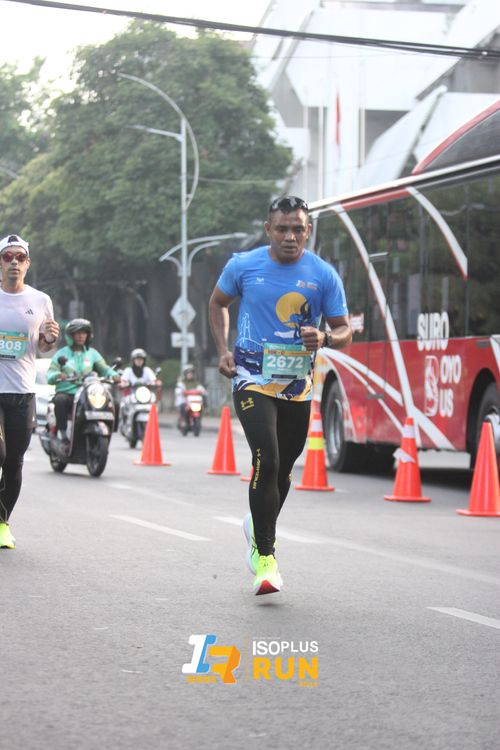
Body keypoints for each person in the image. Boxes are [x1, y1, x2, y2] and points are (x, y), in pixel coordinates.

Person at [208, 195, 351, 595]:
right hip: (251, 378)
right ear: (268, 229)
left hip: (297, 386)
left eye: (298, 229)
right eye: (283, 229)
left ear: (309, 231)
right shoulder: (243, 265)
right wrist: (222, 350)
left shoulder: (323, 275)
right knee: (266, 458)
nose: (290, 237)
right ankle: (265, 557)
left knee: (284, 468)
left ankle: (257, 524)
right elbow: (218, 303)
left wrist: (325, 337)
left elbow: (345, 330)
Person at [0, 234, 60, 549]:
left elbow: (43, 347)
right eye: (7, 257)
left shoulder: (40, 301)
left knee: (14, 462)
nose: (14, 262)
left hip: (22, 393)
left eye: (19, 257)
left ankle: (2, 523)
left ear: (28, 264)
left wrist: (49, 338)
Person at [47, 319, 120, 442]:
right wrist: (58, 375)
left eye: (84, 333)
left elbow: (104, 369)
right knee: (60, 400)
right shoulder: (61, 354)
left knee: (114, 403)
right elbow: (50, 374)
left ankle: (110, 430)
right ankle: (62, 433)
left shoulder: (93, 354)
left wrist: (114, 375)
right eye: (77, 333)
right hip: (68, 393)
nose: (81, 336)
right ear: (71, 336)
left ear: (88, 335)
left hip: (88, 393)